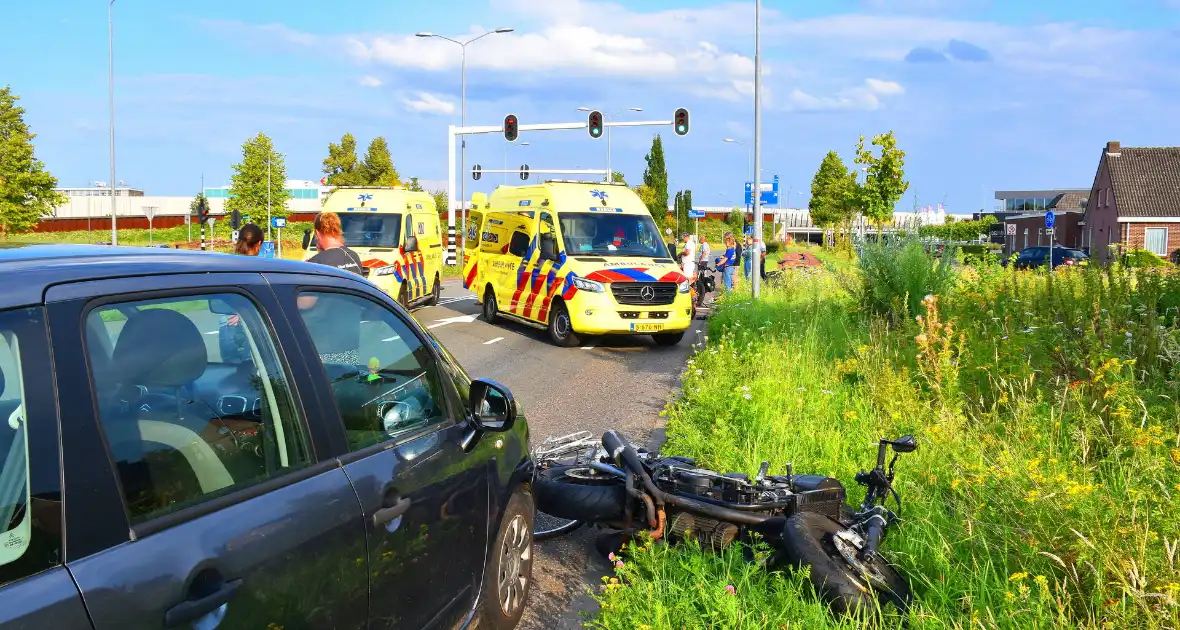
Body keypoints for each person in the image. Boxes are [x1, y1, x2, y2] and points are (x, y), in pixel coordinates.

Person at [220, 223, 265, 362]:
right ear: (258, 244)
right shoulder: (262, 268)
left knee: (232, 369)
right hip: (251, 324)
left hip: (227, 324)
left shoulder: (224, 266)